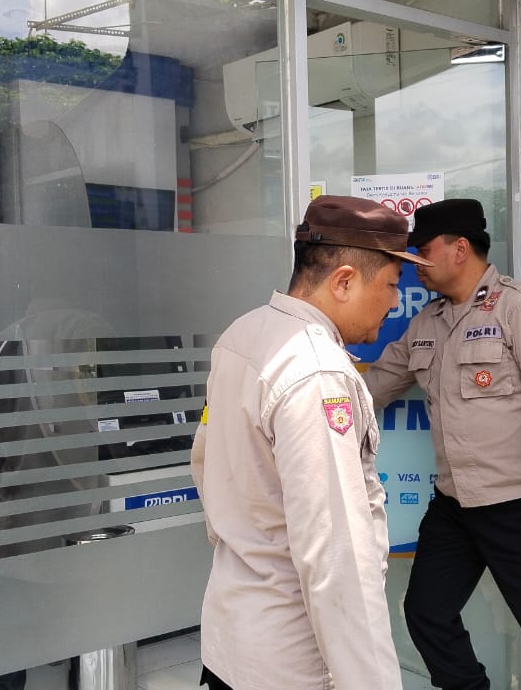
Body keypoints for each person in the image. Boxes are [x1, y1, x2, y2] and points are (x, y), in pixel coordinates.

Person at [191, 194, 432, 690]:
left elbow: (205, 463)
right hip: (292, 664)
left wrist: (251, 546)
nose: (395, 302)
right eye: (390, 284)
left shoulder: (242, 335)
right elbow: (337, 558)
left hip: (229, 640)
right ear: (343, 281)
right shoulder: (318, 373)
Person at [363, 198, 521, 690]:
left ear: (459, 248)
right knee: (426, 613)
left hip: (520, 508)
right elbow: (375, 385)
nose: (416, 265)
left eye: (424, 251)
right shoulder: (427, 323)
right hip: (454, 508)